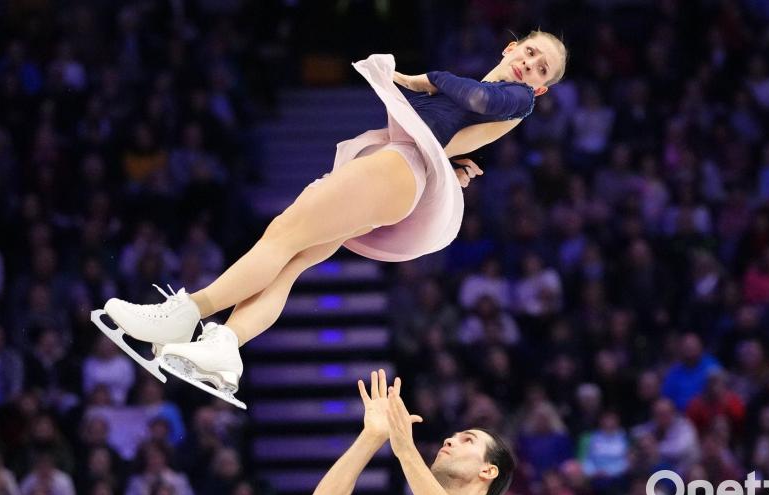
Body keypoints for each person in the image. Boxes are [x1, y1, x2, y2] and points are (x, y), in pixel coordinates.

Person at [93, 32, 568, 407]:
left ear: (541, 86)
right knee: (293, 258)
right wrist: (450, 148)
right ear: (512, 46)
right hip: (399, 171)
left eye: (541, 68)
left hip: (397, 169)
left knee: (281, 236)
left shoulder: (515, 98)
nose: (530, 64)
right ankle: (225, 348)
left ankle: (184, 316)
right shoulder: (485, 91)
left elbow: (480, 103)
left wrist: (428, 78)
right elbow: (455, 128)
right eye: (529, 51)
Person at [306, 369, 523, 495]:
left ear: (488, 470)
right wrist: (371, 436)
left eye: (467, 440)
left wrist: (407, 451)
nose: (449, 440)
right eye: (453, 437)